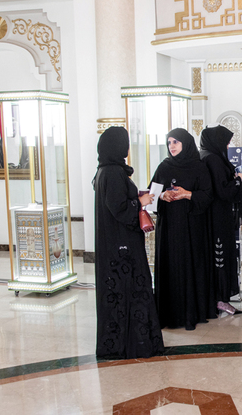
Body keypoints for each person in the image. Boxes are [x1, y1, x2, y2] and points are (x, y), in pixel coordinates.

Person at [93, 126, 164, 359]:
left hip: (115, 244)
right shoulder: (113, 172)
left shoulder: (105, 170)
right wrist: (140, 202)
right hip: (122, 248)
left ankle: (126, 342)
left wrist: (137, 196)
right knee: (130, 291)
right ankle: (136, 343)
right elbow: (120, 209)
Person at [151, 128, 216, 330]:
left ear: (185, 144)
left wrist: (187, 194)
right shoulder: (164, 167)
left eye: (175, 142)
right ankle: (169, 314)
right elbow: (152, 193)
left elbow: (208, 195)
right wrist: (163, 195)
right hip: (169, 229)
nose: (171, 146)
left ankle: (190, 313)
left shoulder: (198, 167)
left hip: (191, 229)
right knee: (170, 267)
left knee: (190, 266)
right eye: (169, 142)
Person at [200, 126, 242, 315]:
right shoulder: (213, 159)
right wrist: (240, 179)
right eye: (226, 142)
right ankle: (220, 299)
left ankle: (215, 298)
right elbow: (223, 191)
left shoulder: (206, 156)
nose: (228, 146)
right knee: (220, 258)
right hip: (218, 218)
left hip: (211, 217)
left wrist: (236, 174)